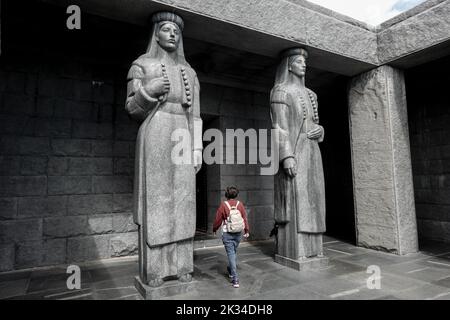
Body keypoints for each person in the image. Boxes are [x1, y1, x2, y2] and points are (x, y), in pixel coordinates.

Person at [125, 12, 203, 287]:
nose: (172, 34)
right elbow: (132, 108)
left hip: (182, 131)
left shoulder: (189, 72)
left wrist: (196, 149)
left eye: (176, 31)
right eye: (167, 29)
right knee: (157, 203)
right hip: (155, 129)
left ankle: (182, 265)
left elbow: (195, 115)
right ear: (156, 33)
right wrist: (149, 91)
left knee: (183, 202)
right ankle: (155, 270)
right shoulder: (141, 65)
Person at [270, 47, 326, 261]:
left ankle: (315, 248)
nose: (304, 64)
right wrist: (286, 156)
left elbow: (317, 124)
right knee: (297, 200)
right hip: (295, 151)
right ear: (289, 65)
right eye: (298, 61)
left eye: (304, 61)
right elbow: (278, 127)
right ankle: (297, 250)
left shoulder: (312, 94)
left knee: (315, 198)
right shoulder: (280, 91)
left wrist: (321, 131)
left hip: (313, 150)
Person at [213, 186, 249, 288]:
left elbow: (217, 220)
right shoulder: (240, 204)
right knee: (233, 253)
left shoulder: (223, 205)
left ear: (226, 195)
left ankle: (235, 279)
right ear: (236, 194)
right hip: (238, 233)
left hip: (227, 233)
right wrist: (246, 230)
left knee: (231, 254)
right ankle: (230, 268)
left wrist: (214, 229)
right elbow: (244, 218)